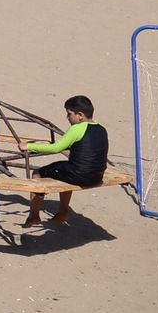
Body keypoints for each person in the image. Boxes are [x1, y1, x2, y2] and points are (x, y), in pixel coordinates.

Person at [23, 96, 111, 228]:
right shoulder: (101, 128)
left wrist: (28, 146)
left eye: (69, 114)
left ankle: (34, 216)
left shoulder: (77, 129)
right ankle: (62, 212)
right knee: (65, 170)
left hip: (80, 176)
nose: (67, 117)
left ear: (80, 115)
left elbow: (56, 148)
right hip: (97, 176)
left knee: (38, 173)